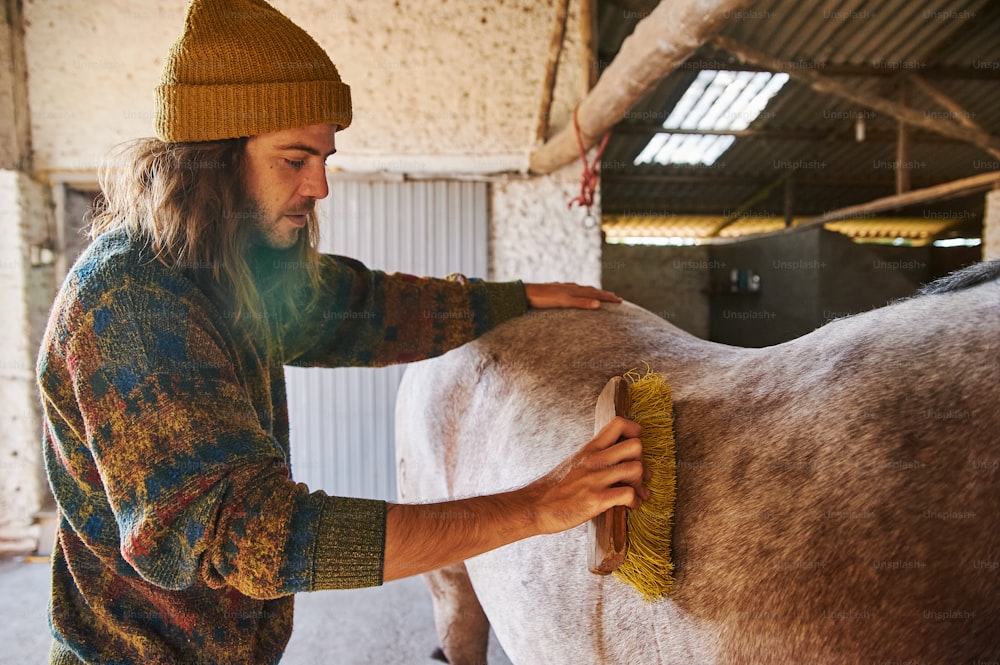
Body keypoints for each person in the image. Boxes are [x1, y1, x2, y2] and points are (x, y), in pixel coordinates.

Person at [36, 0, 648, 663]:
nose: (320, 184)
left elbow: (357, 309)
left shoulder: (227, 260)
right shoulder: (131, 303)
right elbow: (257, 535)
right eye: (296, 158)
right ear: (212, 159)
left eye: (324, 157)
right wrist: (540, 505)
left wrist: (515, 298)